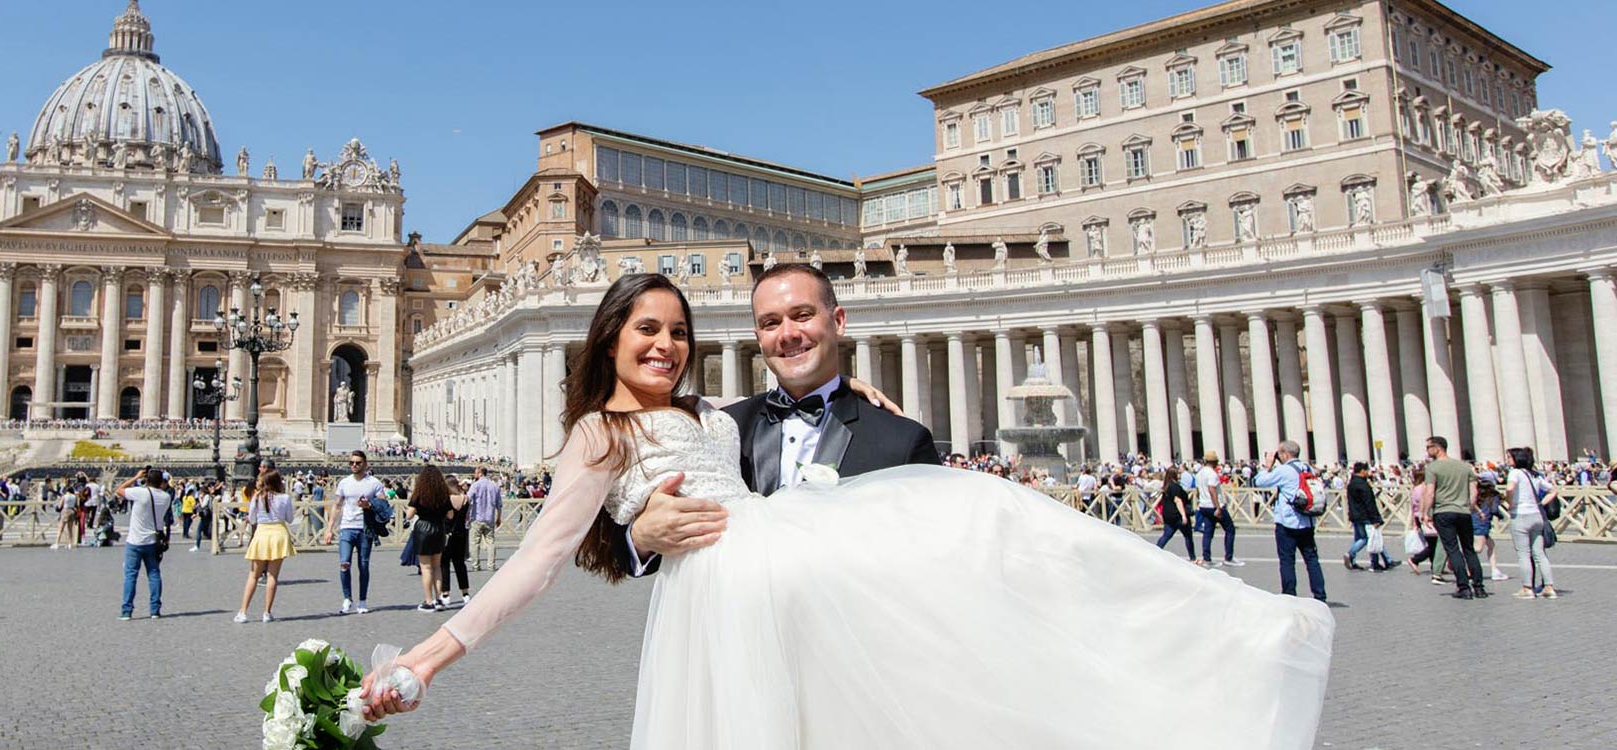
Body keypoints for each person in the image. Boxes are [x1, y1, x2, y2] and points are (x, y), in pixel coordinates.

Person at [359, 273, 1332, 748]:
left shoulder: (725, 414)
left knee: (1001, 520)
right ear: (611, 338)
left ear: (834, 326)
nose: (664, 344)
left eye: (679, 332)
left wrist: (875, 407)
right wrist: (428, 659)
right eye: (645, 330)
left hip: (841, 608)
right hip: (730, 613)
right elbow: (534, 563)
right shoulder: (604, 438)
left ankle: (1216, 629)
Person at [619, 264, 936, 576]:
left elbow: (932, 565)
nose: (787, 334)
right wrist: (641, 539)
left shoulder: (902, 442)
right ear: (758, 338)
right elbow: (669, 533)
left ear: (838, 321)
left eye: (802, 315)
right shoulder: (721, 428)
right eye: (771, 323)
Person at [1254, 441, 1326, 602]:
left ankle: (1289, 595)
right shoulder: (1307, 467)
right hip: (1307, 521)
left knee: (1287, 560)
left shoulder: (1284, 470)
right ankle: (1320, 594)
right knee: (1312, 559)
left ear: (1285, 454)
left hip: (1288, 523)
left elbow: (1260, 482)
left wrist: (1267, 465)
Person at [1422, 436, 1487, 599]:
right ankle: (1479, 587)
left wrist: (1425, 513)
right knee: (1469, 550)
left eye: (1429, 447)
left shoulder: (1432, 467)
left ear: (1437, 448)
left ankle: (1464, 587)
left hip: (1443, 512)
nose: (1427, 451)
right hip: (1463, 512)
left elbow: (1429, 493)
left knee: (1452, 550)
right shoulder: (1465, 467)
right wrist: (1469, 507)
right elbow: (1474, 493)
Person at [324, 451, 386, 615]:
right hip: (346, 527)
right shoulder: (344, 483)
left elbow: (383, 504)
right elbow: (337, 506)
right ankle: (347, 598)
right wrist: (329, 529)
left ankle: (363, 600)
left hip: (365, 528)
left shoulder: (374, 483)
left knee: (363, 565)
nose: (354, 465)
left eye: (358, 463)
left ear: (365, 464)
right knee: (344, 563)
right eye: (351, 462)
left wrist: (370, 505)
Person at [236, 470, 295, 622]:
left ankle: (243, 612)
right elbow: (289, 518)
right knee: (272, 576)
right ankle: (267, 613)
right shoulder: (285, 498)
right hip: (279, 534)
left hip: (262, 534)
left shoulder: (256, 497)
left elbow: (253, 519)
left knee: (253, 575)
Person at [116, 468, 173, 619]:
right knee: (154, 574)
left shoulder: (140, 493)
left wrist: (136, 476)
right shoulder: (166, 497)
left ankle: (126, 611)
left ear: (146, 480)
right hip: (153, 542)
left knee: (130, 576)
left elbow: (119, 490)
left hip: (135, 541)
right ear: (161, 482)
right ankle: (155, 610)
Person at [1501, 447, 1558, 599]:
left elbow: (1510, 488)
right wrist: (1541, 503)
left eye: (1509, 457)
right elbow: (1553, 490)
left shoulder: (1515, 473)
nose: (1507, 460)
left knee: (1523, 554)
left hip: (1521, 515)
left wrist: (1509, 501)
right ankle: (1549, 587)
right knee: (1539, 553)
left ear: (1516, 459)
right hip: (1537, 515)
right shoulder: (1535, 475)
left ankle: (1527, 588)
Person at [405, 466, 453, 612]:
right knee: (437, 566)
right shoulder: (443, 493)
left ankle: (428, 601)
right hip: (439, 529)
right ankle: (439, 599)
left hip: (423, 530)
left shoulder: (419, 493)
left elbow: (409, 515)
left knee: (426, 568)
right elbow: (450, 515)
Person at [1193, 451, 1242, 567]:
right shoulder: (1212, 474)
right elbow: (1212, 489)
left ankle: (1207, 558)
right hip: (1213, 505)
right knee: (1230, 529)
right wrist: (1218, 507)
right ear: (1214, 462)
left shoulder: (1199, 473)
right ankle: (1228, 558)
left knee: (1208, 532)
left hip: (1203, 505)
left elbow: (1199, 490)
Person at [1343, 462, 1390, 571]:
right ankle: (1352, 554)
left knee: (1360, 538)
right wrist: (1375, 518)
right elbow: (1369, 503)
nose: (1368, 473)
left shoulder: (1351, 484)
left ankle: (1354, 560)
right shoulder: (1363, 486)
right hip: (1365, 516)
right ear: (1363, 471)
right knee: (1369, 538)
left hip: (1355, 515)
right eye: (1367, 471)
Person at [437, 475, 472, 605]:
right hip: (461, 534)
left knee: (444, 564)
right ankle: (465, 593)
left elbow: (446, 516)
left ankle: (445, 593)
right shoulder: (465, 499)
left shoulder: (446, 499)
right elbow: (467, 517)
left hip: (446, 534)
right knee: (460, 564)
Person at [1152, 467, 1198, 563]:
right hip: (1177, 515)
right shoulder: (1175, 486)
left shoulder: (1166, 486)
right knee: (1188, 536)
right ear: (1175, 475)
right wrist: (1183, 515)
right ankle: (1193, 557)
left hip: (1168, 515)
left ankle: (1155, 553)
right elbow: (1178, 500)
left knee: (1166, 535)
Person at [465, 468, 502, 571]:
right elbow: (499, 505)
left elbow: (468, 499)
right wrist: (498, 518)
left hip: (476, 517)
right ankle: (491, 565)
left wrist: (466, 515)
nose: (474, 474)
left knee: (474, 543)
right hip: (490, 518)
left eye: (476, 472)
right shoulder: (494, 485)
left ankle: (476, 565)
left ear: (480, 473)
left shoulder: (475, 485)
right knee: (491, 542)